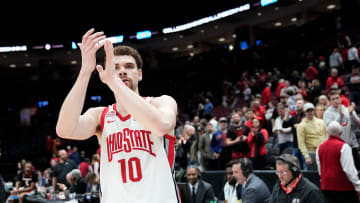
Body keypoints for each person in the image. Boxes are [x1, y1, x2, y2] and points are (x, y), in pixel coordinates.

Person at [56, 29, 180, 202]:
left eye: (128, 67)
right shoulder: (101, 115)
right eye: (115, 68)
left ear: (140, 74)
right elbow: (64, 130)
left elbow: (161, 125)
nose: (122, 72)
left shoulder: (162, 103)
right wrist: (85, 70)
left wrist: (113, 81)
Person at [316, 121, 360, 203]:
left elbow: (320, 169)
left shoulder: (320, 147)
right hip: (344, 189)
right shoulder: (344, 147)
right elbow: (349, 169)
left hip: (326, 187)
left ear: (327, 132)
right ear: (341, 132)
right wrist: (358, 185)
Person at [323, 90, 360, 169]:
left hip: (351, 145)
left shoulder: (348, 109)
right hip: (337, 147)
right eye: (333, 99)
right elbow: (333, 128)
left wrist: (351, 114)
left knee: (356, 170)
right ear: (330, 101)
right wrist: (340, 115)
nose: (336, 101)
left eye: (337, 98)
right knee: (340, 171)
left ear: (341, 99)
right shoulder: (327, 113)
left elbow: (358, 124)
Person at [296, 102, 326, 170]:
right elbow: (301, 143)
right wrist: (306, 156)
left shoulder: (321, 122)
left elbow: (325, 136)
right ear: (304, 112)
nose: (310, 112)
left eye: (311, 110)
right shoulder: (301, 126)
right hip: (311, 152)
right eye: (308, 111)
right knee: (312, 174)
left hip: (323, 151)